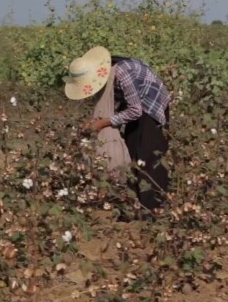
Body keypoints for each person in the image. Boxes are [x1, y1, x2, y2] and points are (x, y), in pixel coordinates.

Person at [65, 46, 172, 213]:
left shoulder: (122, 72)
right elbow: (110, 105)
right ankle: (133, 205)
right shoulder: (106, 77)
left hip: (151, 106)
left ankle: (153, 209)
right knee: (132, 152)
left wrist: (103, 123)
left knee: (149, 155)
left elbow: (135, 110)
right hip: (135, 105)